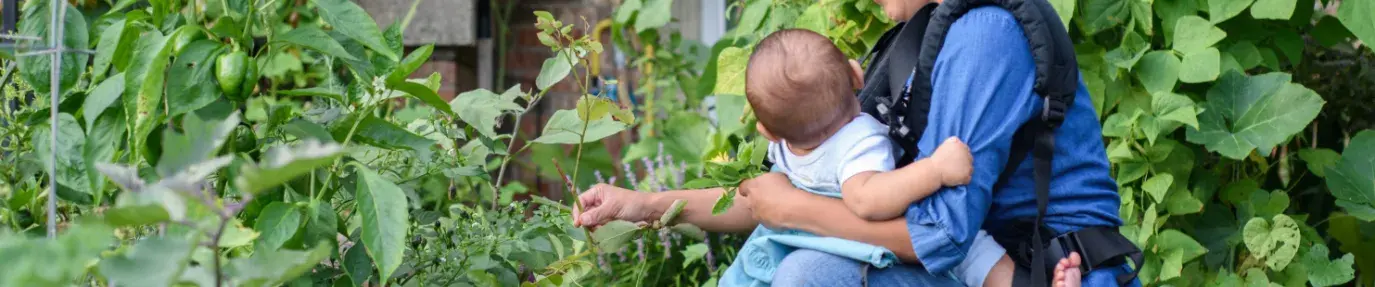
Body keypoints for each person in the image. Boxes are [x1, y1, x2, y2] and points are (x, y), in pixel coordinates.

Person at [574, 0, 1131, 285]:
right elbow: (789, 192)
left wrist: (794, 209)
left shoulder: (984, 34)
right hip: (980, 254)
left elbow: (940, 235)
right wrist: (645, 206)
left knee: (808, 274)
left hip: (1047, 268)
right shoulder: (924, 33)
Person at [717, 28, 1016, 287]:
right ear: (857, 75)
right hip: (883, 242)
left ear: (767, 132)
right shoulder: (859, 143)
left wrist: (674, 204)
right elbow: (867, 199)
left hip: (817, 253)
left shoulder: (785, 150)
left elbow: (751, 200)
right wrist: (935, 169)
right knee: (978, 254)